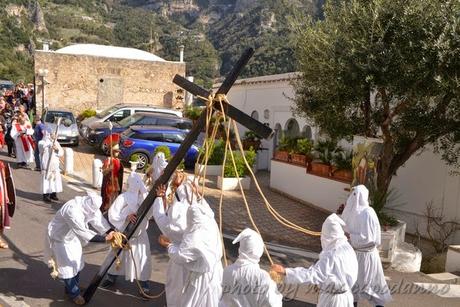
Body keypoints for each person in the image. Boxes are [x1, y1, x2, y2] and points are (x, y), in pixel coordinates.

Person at [271, 214, 358, 307]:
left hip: (332, 301)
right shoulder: (347, 247)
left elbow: (313, 274)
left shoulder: (332, 254)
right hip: (346, 297)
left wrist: (285, 272)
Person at [44, 192, 114, 305]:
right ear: (87, 205)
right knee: (67, 266)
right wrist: (106, 239)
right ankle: (74, 294)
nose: (92, 213)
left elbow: (98, 220)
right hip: (60, 239)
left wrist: (111, 231)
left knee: (76, 262)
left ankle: (71, 288)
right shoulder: (72, 210)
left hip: (71, 237)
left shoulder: (89, 205)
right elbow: (83, 232)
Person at [159, 187, 223, 307]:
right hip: (216, 272)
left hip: (200, 278)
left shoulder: (194, 236)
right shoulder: (209, 222)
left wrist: (168, 245)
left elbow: (180, 256)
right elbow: (208, 211)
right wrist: (198, 194)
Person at [102, 172, 152, 297]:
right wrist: (126, 216)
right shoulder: (123, 197)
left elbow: (151, 214)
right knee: (116, 258)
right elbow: (113, 214)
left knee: (142, 259)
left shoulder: (144, 198)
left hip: (139, 236)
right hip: (124, 234)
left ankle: (144, 285)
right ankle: (111, 277)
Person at [341, 185, 392, 307]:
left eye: (356, 194)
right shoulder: (351, 212)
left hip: (367, 257)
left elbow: (369, 239)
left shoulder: (368, 213)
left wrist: (350, 237)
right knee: (352, 286)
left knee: (374, 287)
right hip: (354, 255)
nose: (354, 198)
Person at [153, 171, 193, 307]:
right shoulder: (196, 221)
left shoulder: (173, 222)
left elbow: (160, 217)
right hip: (192, 260)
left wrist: (159, 198)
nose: (179, 175)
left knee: (175, 286)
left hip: (178, 257)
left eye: (182, 176)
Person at [220, 228, 283, 307]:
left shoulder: (226, 271)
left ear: (241, 248)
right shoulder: (263, 277)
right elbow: (273, 304)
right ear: (258, 250)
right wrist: (274, 285)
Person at [39, 130, 63, 202]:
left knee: (54, 180)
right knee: (47, 180)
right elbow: (41, 147)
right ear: (50, 134)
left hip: (54, 164)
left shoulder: (56, 143)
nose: (56, 136)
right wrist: (49, 146)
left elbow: (61, 153)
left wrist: (57, 149)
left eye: (56, 134)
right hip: (47, 164)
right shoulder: (44, 141)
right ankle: (46, 195)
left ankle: (53, 194)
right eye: (54, 134)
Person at [101, 144, 124, 212]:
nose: (118, 153)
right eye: (116, 151)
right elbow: (103, 172)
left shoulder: (118, 160)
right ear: (112, 151)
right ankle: (106, 211)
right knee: (108, 198)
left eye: (118, 151)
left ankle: (112, 211)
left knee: (115, 197)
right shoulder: (108, 160)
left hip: (116, 182)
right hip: (109, 182)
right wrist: (109, 169)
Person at [0, 161, 11, 249]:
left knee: (1, 219)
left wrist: (6, 194)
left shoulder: (1, 165)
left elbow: (4, 180)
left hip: (1, 196)